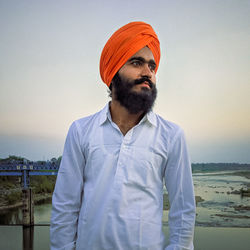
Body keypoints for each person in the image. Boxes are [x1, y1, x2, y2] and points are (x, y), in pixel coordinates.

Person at [50, 21, 196, 250]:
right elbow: (65, 207)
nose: (147, 73)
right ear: (113, 72)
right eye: (137, 62)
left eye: (152, 66)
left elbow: (184, 210)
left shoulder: (171, 136)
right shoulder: (81, 131)